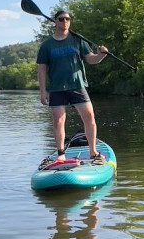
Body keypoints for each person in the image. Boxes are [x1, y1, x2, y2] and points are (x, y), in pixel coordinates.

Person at [36, 9, 108, 166]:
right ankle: (61, 154)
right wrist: (43, 91)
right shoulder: (46, 45)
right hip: (56, 88)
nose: (65, 21)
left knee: (89, 118)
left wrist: (101, 55)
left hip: (77, 85)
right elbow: (42, 69)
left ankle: (93, 152)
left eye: (68, 19)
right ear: (55, 22)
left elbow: (91, 60)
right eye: (61, 19)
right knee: (58, 121)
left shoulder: (78, 40)